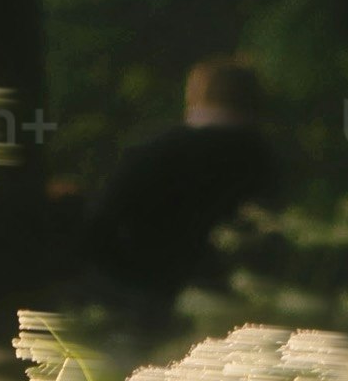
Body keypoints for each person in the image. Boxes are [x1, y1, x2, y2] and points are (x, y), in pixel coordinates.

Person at [81, 58, 279, 312]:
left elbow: (99, 226)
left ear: (195, 94)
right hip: (244, 300)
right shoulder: (265, 159)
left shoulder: (153, 150)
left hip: (149, 295)